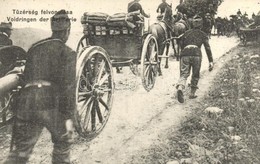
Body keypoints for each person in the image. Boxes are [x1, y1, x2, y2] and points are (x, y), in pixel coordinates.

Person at [4, 9, 76, 164]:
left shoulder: (35, 47)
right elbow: (68, 88)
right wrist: (68, 117)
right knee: (63, 143)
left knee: (20, 152)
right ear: (67, 31)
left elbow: (26, 78)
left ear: (53, 29)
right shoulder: (68, 52)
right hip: (48, 102)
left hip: (26, 102)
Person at [176, 15, 214, 103]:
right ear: (201, 25)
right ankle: (192, 93)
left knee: (184, 74)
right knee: (195, 74)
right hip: (197, 54)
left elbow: (181, 45)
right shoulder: (203, 34)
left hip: (185, 53)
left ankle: (180, 87)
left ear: (192, 24)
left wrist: (182, 54)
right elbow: (207, 48)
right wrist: (211, 61)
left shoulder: (186, 33)